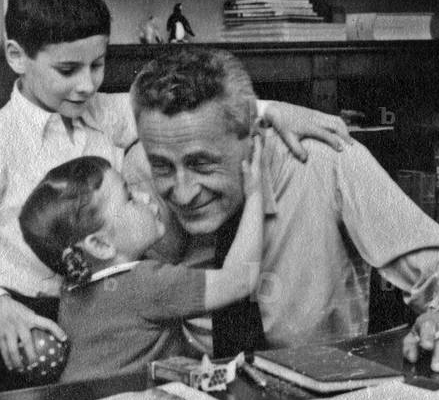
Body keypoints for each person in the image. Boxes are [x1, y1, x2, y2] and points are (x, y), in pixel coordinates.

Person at [0, 0, 350, 376]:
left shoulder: (104, 112)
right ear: (16, 56)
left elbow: (195, 111)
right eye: (68, 69)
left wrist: (278, 112)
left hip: (125, 309)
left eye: (98, 65)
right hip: (35, 321)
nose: (87, 84)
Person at [130, 48, 439, 372]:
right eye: (163, 166)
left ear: (252, 137)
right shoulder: (135, 177)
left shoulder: (327, 164)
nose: (181, 193)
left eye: (202, 164)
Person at [18, 144, 263, 384]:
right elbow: (239, 281)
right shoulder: (145, 283)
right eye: (130, 198)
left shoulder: (72, 287)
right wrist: (254, 193)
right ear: (100, 245)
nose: (145, 196)